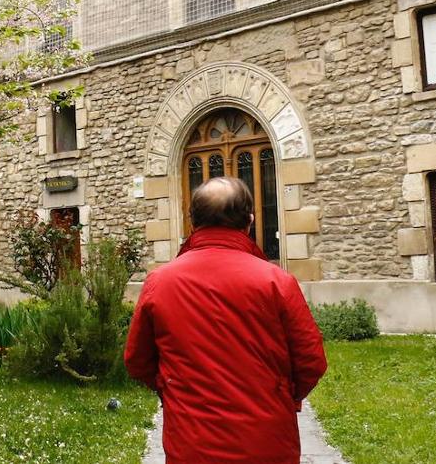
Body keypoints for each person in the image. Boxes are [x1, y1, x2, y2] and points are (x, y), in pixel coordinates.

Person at [124, 177, 327, 464]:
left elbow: (137, 360)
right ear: (250, 221)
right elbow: (311, 361)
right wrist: (282, 396)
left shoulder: (160, 282)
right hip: (267, 441)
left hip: (191, 443)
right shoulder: (276, 281)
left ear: (191, 223)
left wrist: (172, 388)